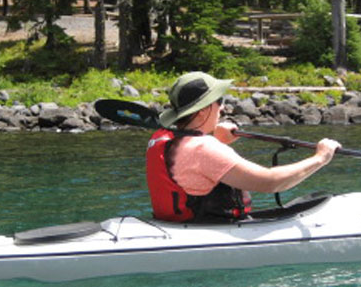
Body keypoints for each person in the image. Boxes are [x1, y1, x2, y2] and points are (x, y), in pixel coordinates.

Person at [146, 71, 341, 223]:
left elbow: (195, 169)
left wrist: (216, 138)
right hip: (209, 230)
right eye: (218, 101)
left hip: (181, 224)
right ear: (204, 109)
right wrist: (321, 157)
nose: (222, 107)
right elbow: (270, 182)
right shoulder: (203, 148)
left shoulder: (165, 139)